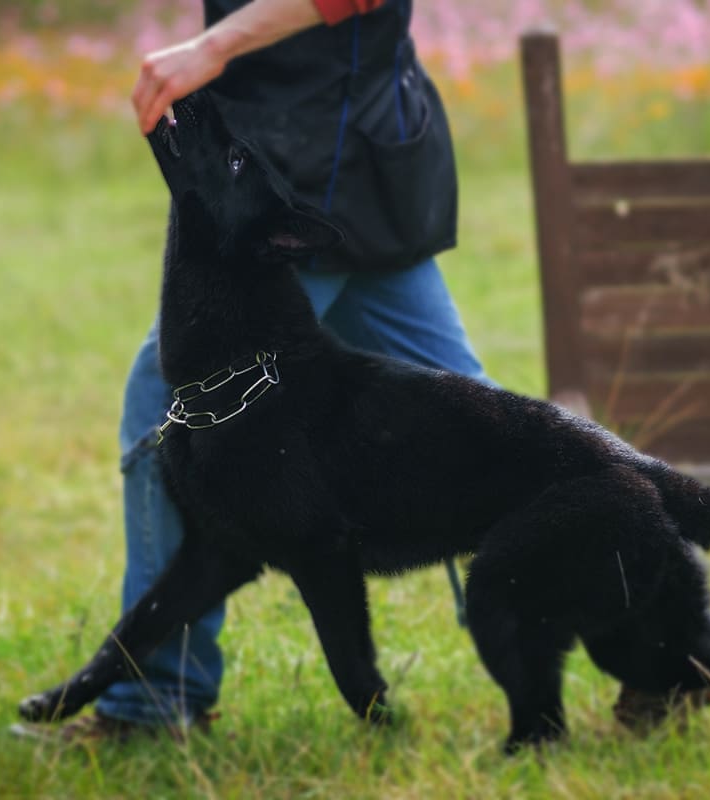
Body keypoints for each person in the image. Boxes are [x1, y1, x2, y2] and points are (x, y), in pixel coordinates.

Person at [62, 0, 487, 741]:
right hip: (312, 171)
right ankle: (674, 645)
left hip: (320, 184)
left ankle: (155, 704)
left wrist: (213, 46)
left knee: (167, 405)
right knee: (497, 436)